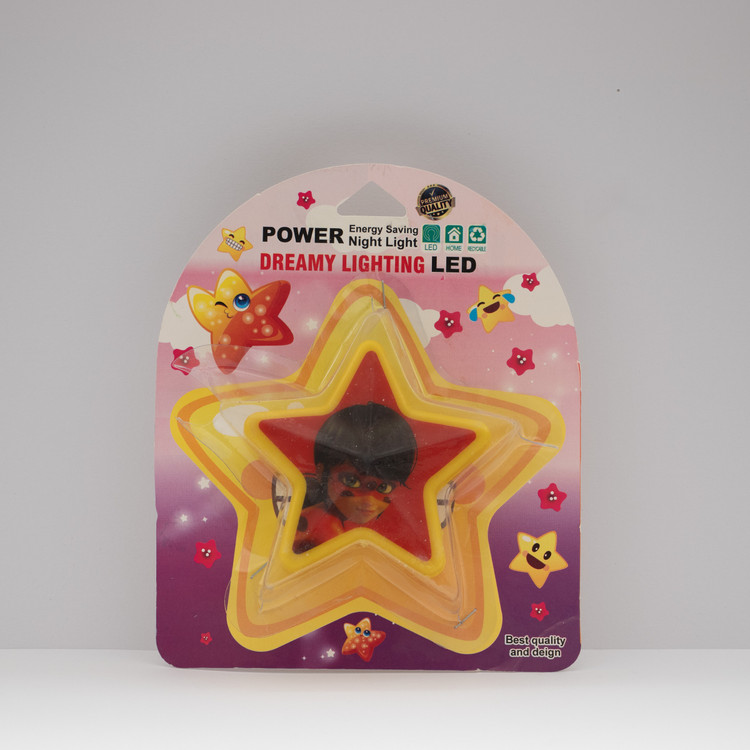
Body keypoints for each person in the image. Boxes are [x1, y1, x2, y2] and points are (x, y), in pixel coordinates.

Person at [293, 402, 417, 553]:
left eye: (384, 487)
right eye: (351, 481)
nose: (368, 501)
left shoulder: (332, 523)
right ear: (321, 471)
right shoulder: (325, 527)